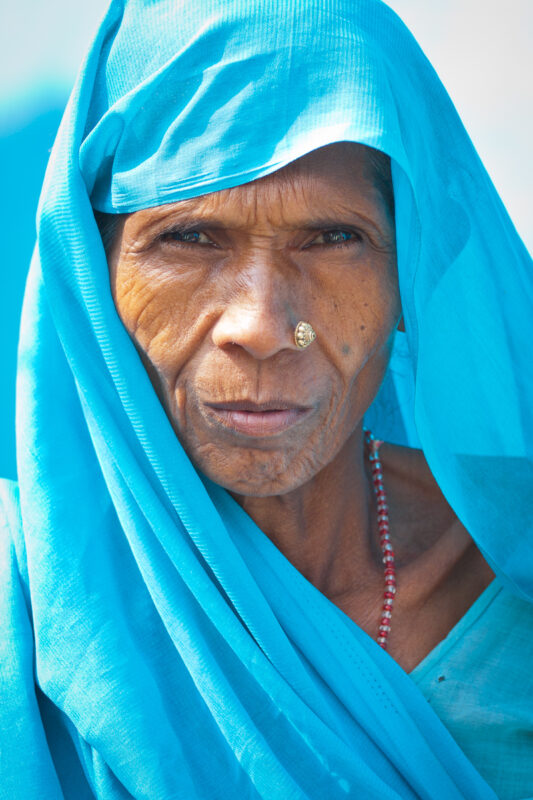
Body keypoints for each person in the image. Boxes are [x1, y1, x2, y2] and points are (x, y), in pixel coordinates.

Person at [1, 0, 531, 798]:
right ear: (93, 269)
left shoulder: (511, 573)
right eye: (188, 237)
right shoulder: (20, 608)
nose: (260, 325)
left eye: (331, 238)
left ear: (408, 272)